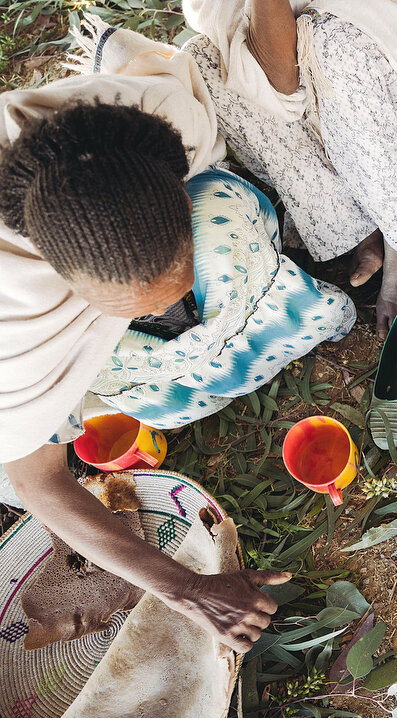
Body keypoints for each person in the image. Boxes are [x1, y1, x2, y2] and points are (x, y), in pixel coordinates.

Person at [0, 23, 356, 652]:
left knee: (232, 223)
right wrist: (184, 587)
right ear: (63, 282)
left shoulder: (156, 123)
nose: (173, 311)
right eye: (132, 308)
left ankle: (256, 320)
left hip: (151, 201)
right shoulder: (15, 328)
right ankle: (179, 366)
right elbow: (36, 481)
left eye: (172, 288)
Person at [183, 0, 397, 337]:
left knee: (327, 36)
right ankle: (354, 224)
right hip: (335, 117)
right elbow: (282, 83)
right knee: (204, 57)